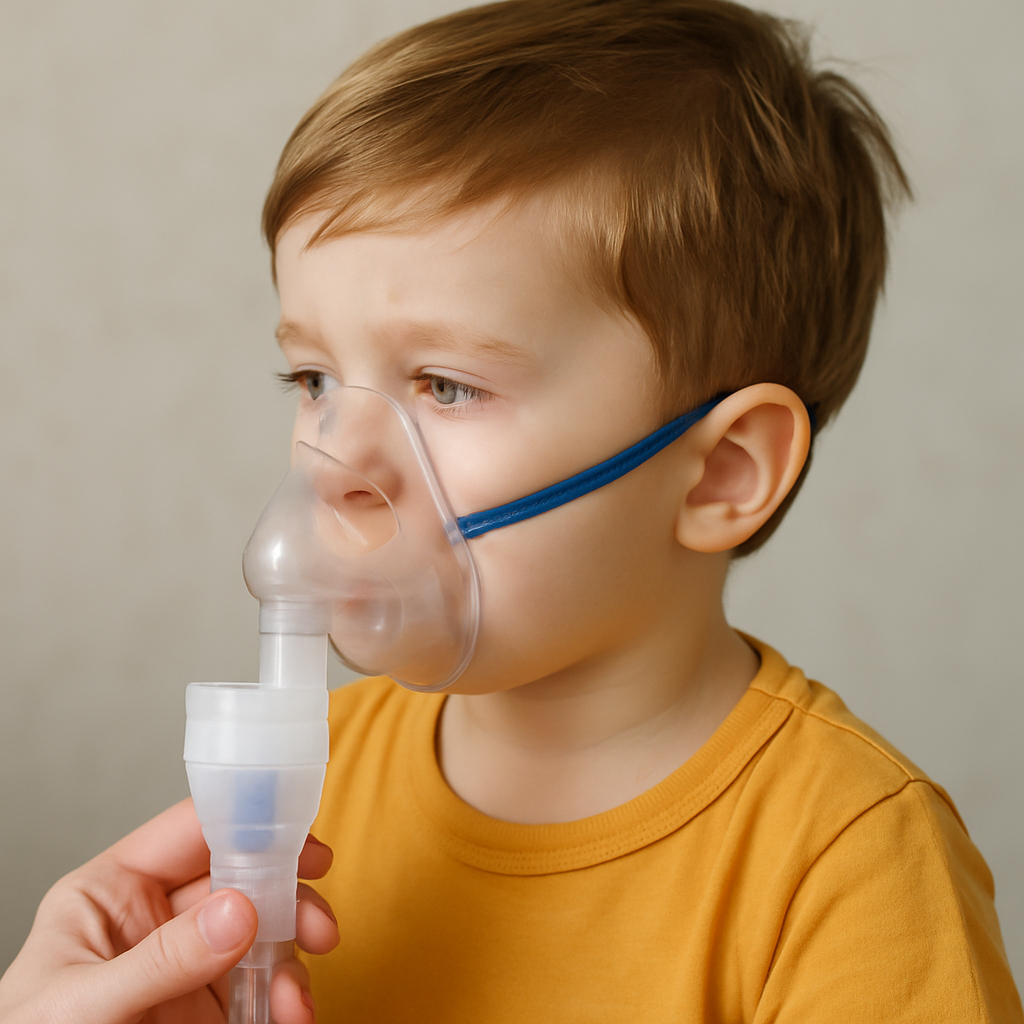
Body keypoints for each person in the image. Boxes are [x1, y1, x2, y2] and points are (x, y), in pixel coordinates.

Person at [3, 0, 1021, 1020]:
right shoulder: (315, 794)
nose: (335, 462)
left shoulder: (844, 863)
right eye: (311, 378)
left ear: (719, 474)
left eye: (445, 386)